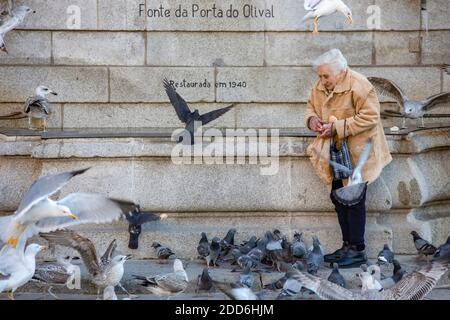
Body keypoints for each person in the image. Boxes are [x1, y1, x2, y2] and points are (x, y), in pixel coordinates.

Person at [304, 49, 392, 268]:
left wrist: (337, 127)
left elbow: (371, 117)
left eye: (325, 76)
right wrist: (312, 120)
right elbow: (310, 108)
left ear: (341, 72)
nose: (321, 81)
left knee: (354, 201)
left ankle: (357, 250)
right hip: (334, 151)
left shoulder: (360, 84)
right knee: (339, 198)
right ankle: (347, 246)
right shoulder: (321, 86)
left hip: (359, 152)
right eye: (320, 76)